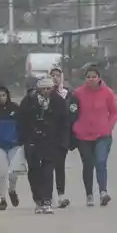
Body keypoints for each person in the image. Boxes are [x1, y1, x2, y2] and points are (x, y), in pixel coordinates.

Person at [18, 77, 69, 214]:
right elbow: (21, 122)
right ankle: (38, 200)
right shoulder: (28, 101)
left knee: (48, 170)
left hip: (51, 141)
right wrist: (23, 139)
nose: (46, 91)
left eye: (49, 88)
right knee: (34, 171)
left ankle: (47, 200)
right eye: (43, 89)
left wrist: (63, 143)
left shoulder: (59, 101)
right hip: (32, 141)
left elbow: (65, 123)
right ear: (38, 89)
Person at [73, 66, 117, 207]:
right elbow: (72, 111)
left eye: (94, 76)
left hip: (102, 135)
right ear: (84, 79)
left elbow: (114, 112)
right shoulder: (78, 93)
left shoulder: (107, 92)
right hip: (83, 135)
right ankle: (89, 194)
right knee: (88, 164)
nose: (91, 79)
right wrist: (75, 126)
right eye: (88, 77)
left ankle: (103, 192)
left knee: (100, 161)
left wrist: (109, 126)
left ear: (99, 78)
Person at [50, 67, 78, 208]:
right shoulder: (45, 94)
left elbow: (74, 115)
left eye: (57, 75)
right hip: (47, 137)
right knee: (47, 167)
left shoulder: (69, 95)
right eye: (52, 75)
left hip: (62, 137)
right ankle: (47, 197)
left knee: (59, 166)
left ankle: (61, 195)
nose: (55, 78)